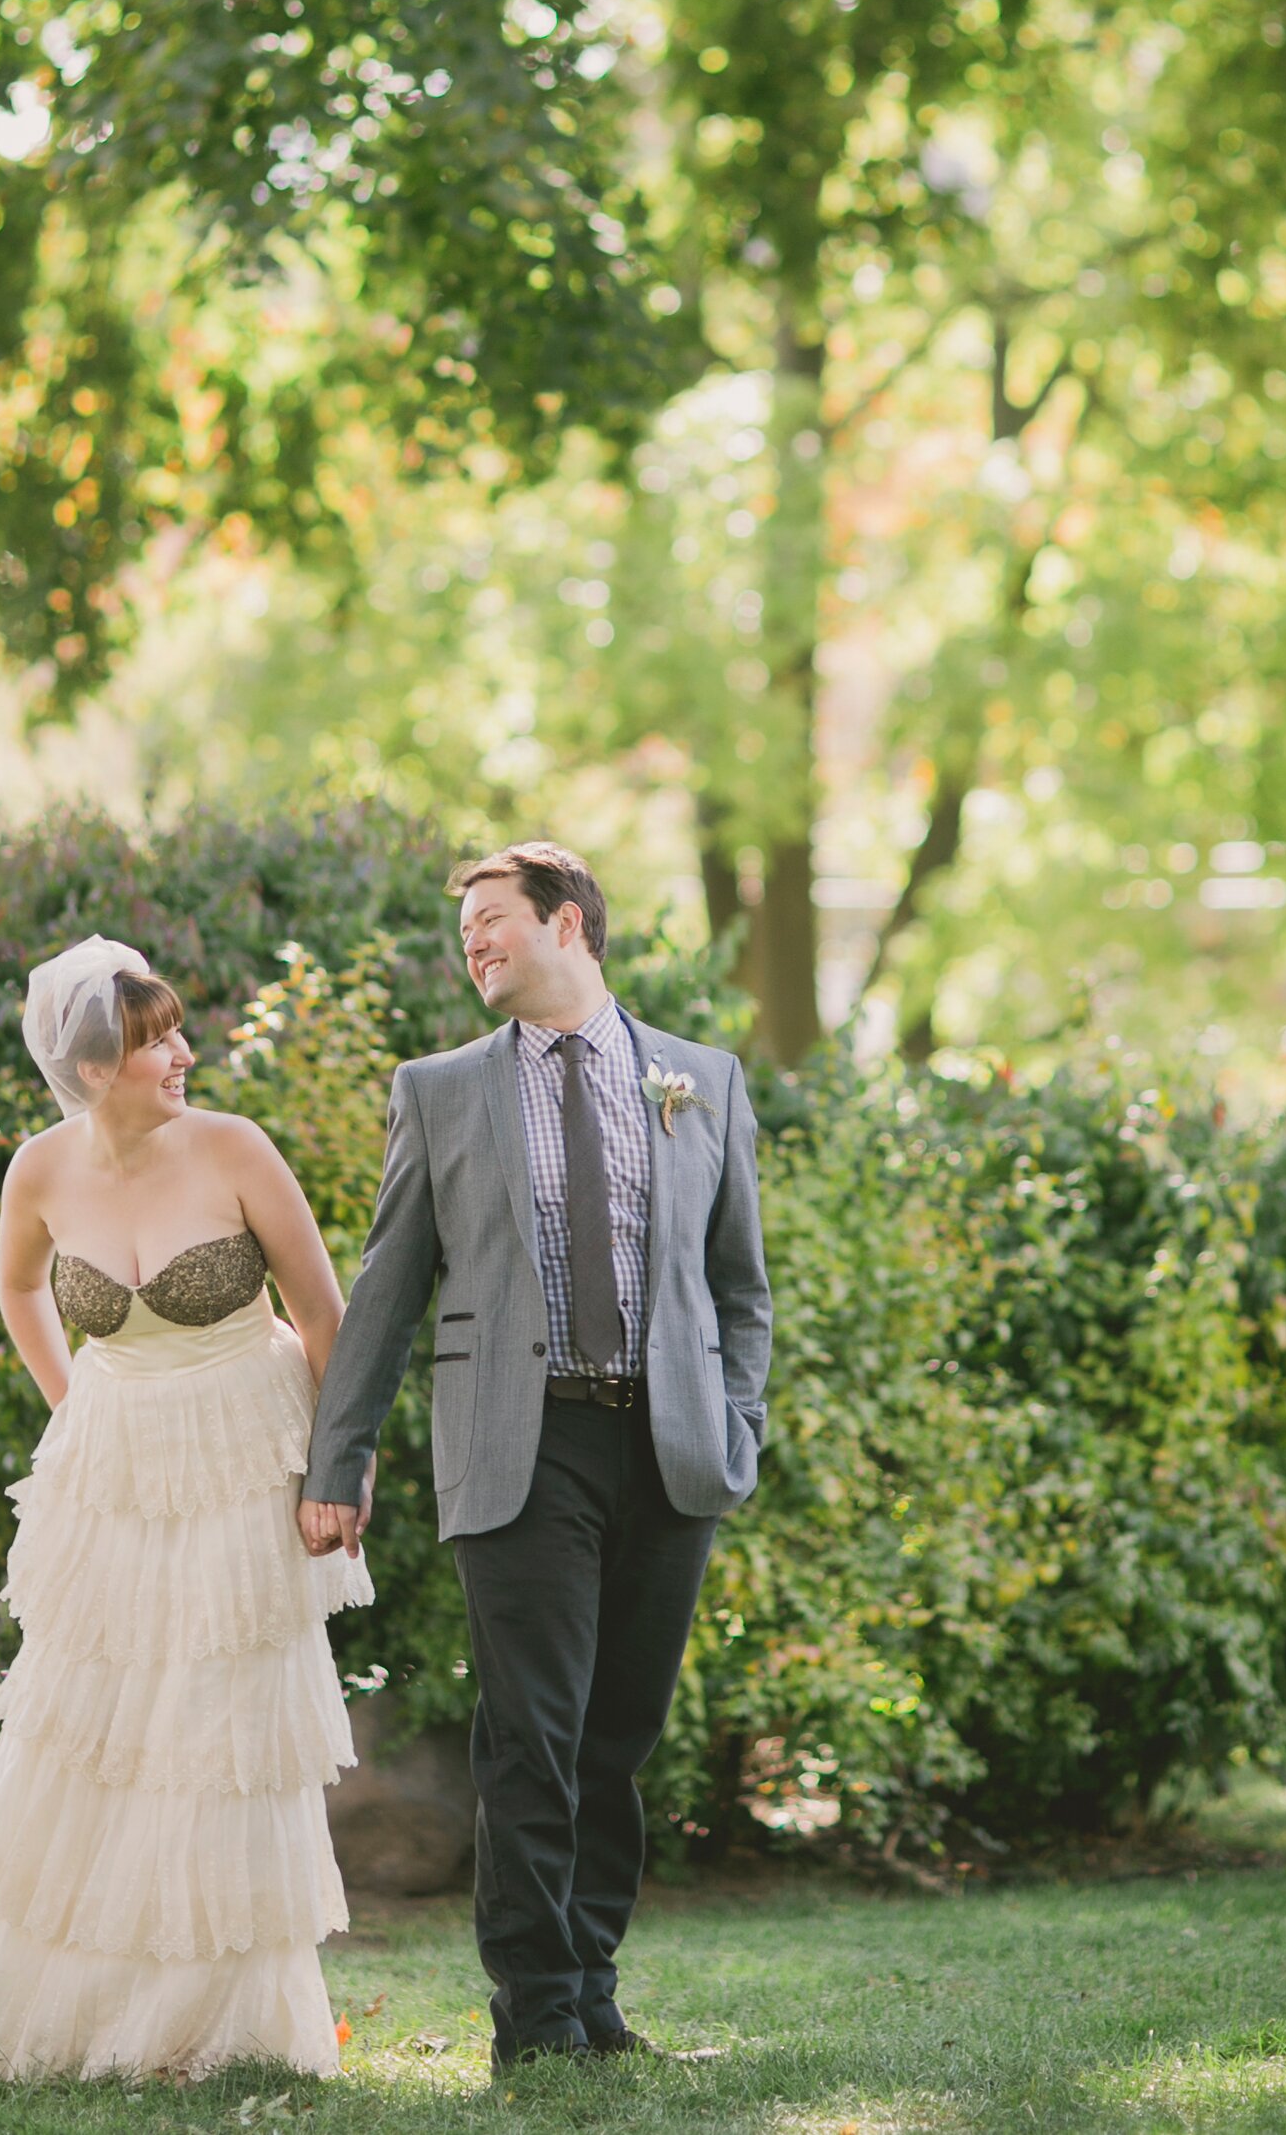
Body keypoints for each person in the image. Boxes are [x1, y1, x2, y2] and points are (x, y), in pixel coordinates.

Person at [298, 841, 771, 2075]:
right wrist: (335, 1458)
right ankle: (538, 2016)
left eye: (493, 921)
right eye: (466, 932)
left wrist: (737, 1423)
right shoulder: (443, 1090)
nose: (475, 946)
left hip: (668, 1449)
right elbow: (387, 1286)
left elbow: (740, 1287)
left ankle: (597, 1999)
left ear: (568, 925)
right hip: (522, 1444)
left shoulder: (701, 1078)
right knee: (534, 1733)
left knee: (620, 1734)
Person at [0, 935, 374, 2082]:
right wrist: (72, 1402)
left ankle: (208, 2019)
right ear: (95, 1063)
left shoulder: (233, 1147)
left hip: (242, 1455)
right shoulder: (40, 1170)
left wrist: (339, 1471)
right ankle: (83, 2010)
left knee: (213, 1728)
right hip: (115, 1466)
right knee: (107, 1729)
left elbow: (326, 1317)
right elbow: (20, 1284)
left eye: (175, 1030)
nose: (182, 1052)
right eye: (156, 1037)